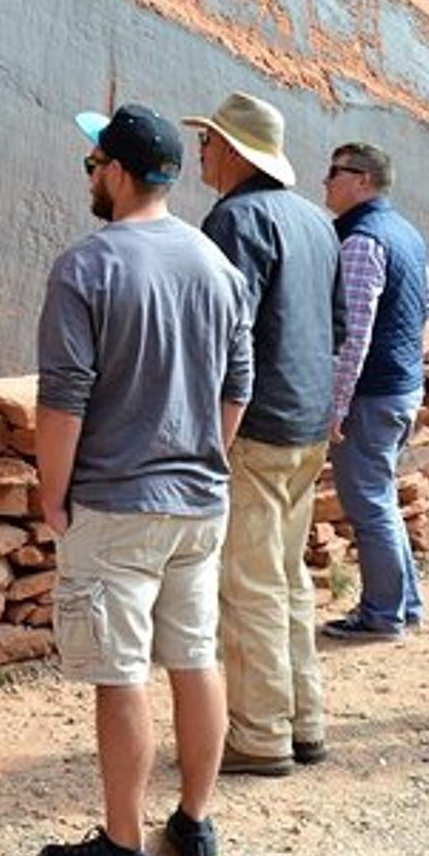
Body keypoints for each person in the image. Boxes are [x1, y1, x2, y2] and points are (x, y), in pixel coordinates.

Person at [35, 104, 253, 856]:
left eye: (94, 165)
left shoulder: (86, 267)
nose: (90, 178)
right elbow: (238, 388)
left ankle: (122, 846)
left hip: (115, 502)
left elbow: (64, 399)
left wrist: (51, 492)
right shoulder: (218, 267)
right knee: (195, 656)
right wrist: (205, 460)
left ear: (119, 174)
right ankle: (194, 822)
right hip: (199, 500)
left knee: (120, 669)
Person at [181, 92, 342, 776]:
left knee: (246, 583)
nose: (201, 151)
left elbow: (225, 329)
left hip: (256, 425)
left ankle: (260, 734)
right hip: (307, 423)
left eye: (210, 140)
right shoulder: (316, 221)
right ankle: (304, 720)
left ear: (236, 151)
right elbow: (335, 325)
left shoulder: (235, 219)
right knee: (287, 575)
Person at [318, 143, 429, 643]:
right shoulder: (403, 230)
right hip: (400, 387)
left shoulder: (361, 240)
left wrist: (337, 404)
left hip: (371, 396)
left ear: (362, 179)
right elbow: (428, 301)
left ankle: (383, 615)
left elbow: (354, 331)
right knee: (380, 500)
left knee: (368, 505)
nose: (325, 181)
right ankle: (402, 605)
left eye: (335, 172)